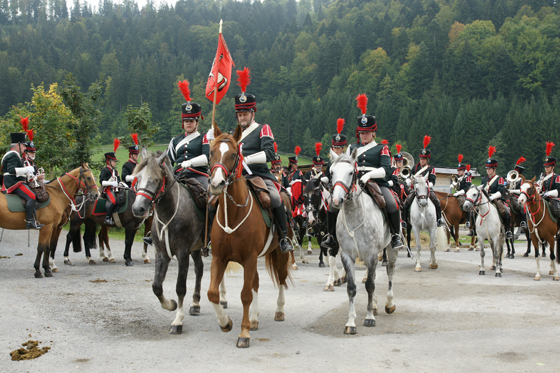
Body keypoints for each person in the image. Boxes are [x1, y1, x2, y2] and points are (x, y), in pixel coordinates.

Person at [219, 67, 293, 253]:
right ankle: (212, 238)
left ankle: (283, 237)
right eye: (240, 114)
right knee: (213, 198)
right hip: (236, 177)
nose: (242, 117)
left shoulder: (263, 128)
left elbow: (270, 154)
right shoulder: (233, 134)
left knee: (276, 199)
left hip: (259, 175)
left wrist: (246, 160)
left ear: (253, 113)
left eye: (245, 113)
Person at [322, 94, 404, 251]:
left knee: (392, 204)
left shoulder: (382, 148)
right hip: (355, 183)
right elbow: (345, 165)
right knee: (333, 204)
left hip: (377, 183)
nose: (364, 135)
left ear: (373, 133)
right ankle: (331, 236)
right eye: (361, 132)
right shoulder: (352, 148)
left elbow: (386, 171)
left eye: (367, 132)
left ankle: (395, 235)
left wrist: (368, 175)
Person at [145, 80, 210, 247]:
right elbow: (168, 161)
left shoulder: (204, 138)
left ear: (197, 121)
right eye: (186, 121)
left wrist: (189, 163)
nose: (189, 123)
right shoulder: (175, 141)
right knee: (158, 195)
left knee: (210, 200)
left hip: (199, 176)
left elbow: (206, 158)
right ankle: (154, 231)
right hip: (178, 176)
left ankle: (209, 233)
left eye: (192, 120)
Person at [1, 130, 44, 229]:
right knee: (31, 196)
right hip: (13, 183)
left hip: (15, 181)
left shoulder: (14, 155)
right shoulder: (13, 155)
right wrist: (27, 169)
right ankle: (29, 221)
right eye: (24, 146)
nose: (25, 148)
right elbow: (11, 170)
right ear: (18, 145)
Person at [402, 135, 443, 227]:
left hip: (426, 189)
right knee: (406, 202)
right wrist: (408, 181)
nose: (422, 161)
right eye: (421, 159)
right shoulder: (415, 167)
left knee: (437, 201)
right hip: (416, 189)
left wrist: (427, 185)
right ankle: (404, 220)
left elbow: (433, 181)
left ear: (427, 160)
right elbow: (410, 176)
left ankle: (439, 219)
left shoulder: (431, 169)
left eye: (424, 159)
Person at [481, 146, 512, 239]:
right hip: (485, 199)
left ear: (494, 169)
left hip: (496, 198)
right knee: (473, 211)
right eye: (487, 168)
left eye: (490, 169)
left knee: (505, 212)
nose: (488, 170)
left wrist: (491, 197)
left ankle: (507, 231)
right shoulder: (484, 179)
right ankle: (474, 229)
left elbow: (501, 191)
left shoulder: (500, 179)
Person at [99, 139, 122, 226]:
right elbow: (102, 182)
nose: (115, 163)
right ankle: (107, 218)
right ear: (109, 161)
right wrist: (112, 183)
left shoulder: (115, 171)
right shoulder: (105, 170)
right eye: (113, 161)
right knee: (113, 201)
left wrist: (120, 184)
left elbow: (118, 181)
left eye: (115, 161)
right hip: (107, 189)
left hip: (116, 189)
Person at [451, 154, 473, 234]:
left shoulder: (467, 177)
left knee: (465, 203)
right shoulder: (457, 177)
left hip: (465, 194)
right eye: (458, 170)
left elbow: (467, 187)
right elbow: (454, 184)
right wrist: (452, 185)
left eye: (460, 171)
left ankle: (468, 220)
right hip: (457, 193)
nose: (459, 172)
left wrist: (459, 193)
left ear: (463, 171)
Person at [540, 142, 560, 219]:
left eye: (548, 167)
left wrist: (548, 193)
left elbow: (558, 191)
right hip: (543, 198)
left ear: (552, 167)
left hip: (554, 199)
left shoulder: (557, 177)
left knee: (557, 212)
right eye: (545, 167)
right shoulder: (542, 177)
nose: (546, 168)